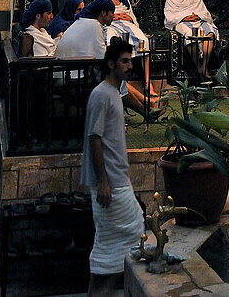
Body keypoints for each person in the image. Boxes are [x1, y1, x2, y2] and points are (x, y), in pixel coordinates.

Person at [81, 37, 144, 296]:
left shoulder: (115, 94)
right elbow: (94, 139)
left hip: (118, 181)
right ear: (111, 64)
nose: (129, 66)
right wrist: (104, 182)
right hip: (111, 187)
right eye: (124, 61)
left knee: (107, 262)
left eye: (130, 61)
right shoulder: (101, 95)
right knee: (134, 237)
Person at [103, 0, 160, 103]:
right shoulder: (105, 1)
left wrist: (128, 18)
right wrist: (116, 16)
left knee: (144, 41)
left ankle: (147, 82)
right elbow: (103, 17)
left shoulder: (126, 2)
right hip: (112, 25)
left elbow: (132, 18)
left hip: (127, 25)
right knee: (113, 42)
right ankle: (119, 80)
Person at [164, 0, 219, 81]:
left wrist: (197, 16)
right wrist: (185, 17)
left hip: (200, 21)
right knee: (191, 36)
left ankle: (204, 65)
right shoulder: (171, 0)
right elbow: (169, 17)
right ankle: (198, 65)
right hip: (182, 23)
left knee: (210, 33)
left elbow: (206, 14)